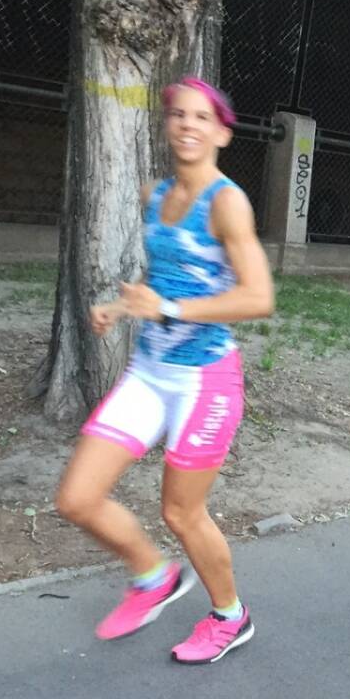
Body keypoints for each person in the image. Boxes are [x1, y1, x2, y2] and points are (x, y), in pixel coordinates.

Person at [54, 78, 274, 663]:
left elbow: (258, 297)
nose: (187, 125)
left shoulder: (228, 202)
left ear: (222, 132)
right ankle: (153, 575)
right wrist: (124, 305)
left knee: (180, 511)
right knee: (77, 497)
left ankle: (231, 616)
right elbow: (171, 280)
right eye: (178, 115)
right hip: (149, 372)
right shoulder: (156, 194)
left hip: (204, 381)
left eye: (202, 117)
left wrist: (168, 308)